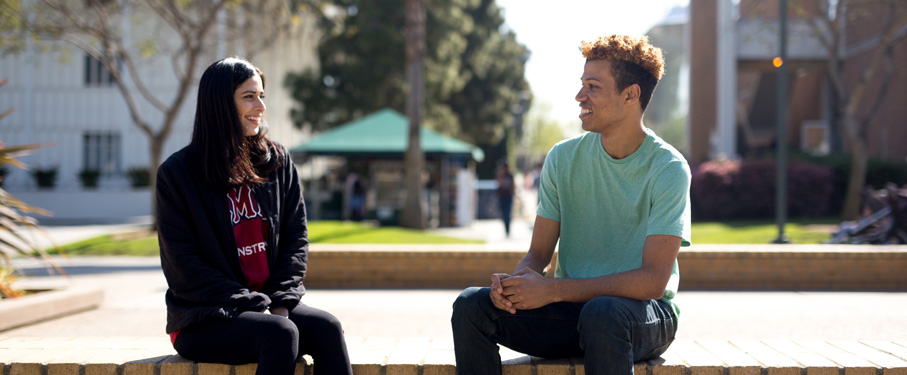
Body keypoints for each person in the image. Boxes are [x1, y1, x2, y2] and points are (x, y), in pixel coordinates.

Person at [451, 35, 691, 375]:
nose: (580, 96)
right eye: (582, 85)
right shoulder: (563, 158)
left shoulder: (668, 168)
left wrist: (553, 290)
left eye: (592, 86)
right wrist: (517, 287)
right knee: (470, 306)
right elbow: (539, 254)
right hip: (572, 310)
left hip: (643, 315)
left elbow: (653, 279)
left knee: (602, 313)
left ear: (630, 94)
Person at [156, 57, 352, 375]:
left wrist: (280, 301)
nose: (260, 106)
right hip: (204, 317)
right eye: (249, 96)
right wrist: (255, 304)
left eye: (262, 96)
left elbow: (295, 240)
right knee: (280, 334)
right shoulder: (178, 174)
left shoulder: (277, 162)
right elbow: (184, 269)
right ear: (220, 103)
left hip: (270, 305)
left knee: (328, 327)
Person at [496, 162, 515, 237]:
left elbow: (512, 186)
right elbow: (499, 184)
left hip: (508, 197)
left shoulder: (510, 176)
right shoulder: (500, 175)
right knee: (503, 214)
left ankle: (508, 230)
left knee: (508, 213)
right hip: (501, 197)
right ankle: (506, 229)